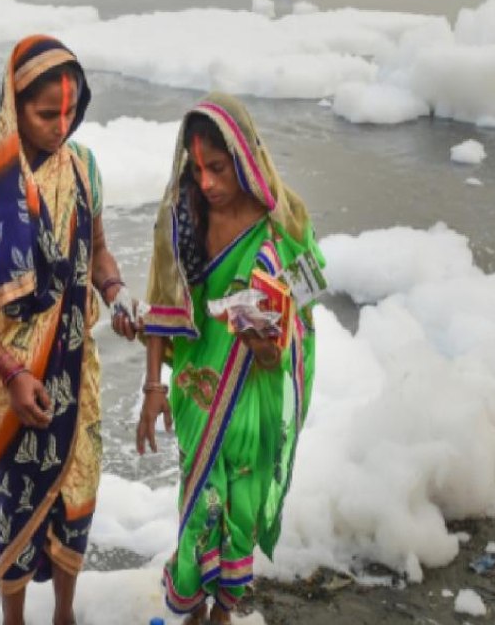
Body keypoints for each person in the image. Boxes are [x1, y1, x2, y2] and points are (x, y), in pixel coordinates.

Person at [0, 35, 137, 625]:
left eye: (71, 112)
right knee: (20, 502)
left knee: (76, 495)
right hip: (14, 379)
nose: (61, 125)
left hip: (76, 372)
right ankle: (15, 620)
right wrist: (11, 371)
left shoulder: (83, 168)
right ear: (14, 103)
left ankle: (65, 614)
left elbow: (98, 251)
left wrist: (116, 291)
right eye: (46, 113)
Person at [136, 93, 325, 624]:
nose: (208, 183)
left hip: (254, 391)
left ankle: (222, 614)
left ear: (244, 156)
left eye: (217, 168)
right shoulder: (181, 215)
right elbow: (160, 304)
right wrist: (153, 389)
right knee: (202, 505)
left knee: (241, 504)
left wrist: (272, 345)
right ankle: (193, 613)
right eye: (198, 170)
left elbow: (304, 309)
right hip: (199, 389)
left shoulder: (283, 222)